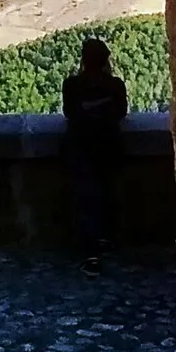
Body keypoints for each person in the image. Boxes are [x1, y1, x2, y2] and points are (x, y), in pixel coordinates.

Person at [59, 32, 129, 251]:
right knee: (108, 194)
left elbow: (70, 112)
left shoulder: (71, 85)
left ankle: (88, 244)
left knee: (85, 196)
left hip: (80, 147)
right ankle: (106, 239)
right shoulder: (115, 86)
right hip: (108, 146)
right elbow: (120, 112)